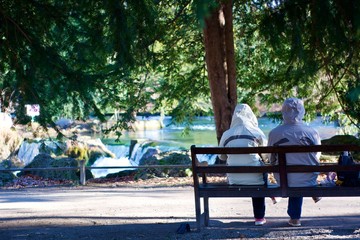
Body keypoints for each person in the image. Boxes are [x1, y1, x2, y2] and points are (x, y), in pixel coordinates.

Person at [268, 97, 321, 227]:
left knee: (292, 176)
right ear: (302, 111)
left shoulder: (274, 133)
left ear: (283, 112)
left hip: (284, 178)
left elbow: (271, 158)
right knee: (302, 174)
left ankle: (295, 218)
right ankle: (313, 191)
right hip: (308, 177)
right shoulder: (312, 132)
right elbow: (317, 155)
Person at [218, 103, 268, 226]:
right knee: (259, 174)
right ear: (251, 116)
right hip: (256, 180)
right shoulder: (256, 132)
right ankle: (259, 218)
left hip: (234, 179)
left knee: (256, 173)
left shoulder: (227, 134)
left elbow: (221, 157)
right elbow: (267, 156)